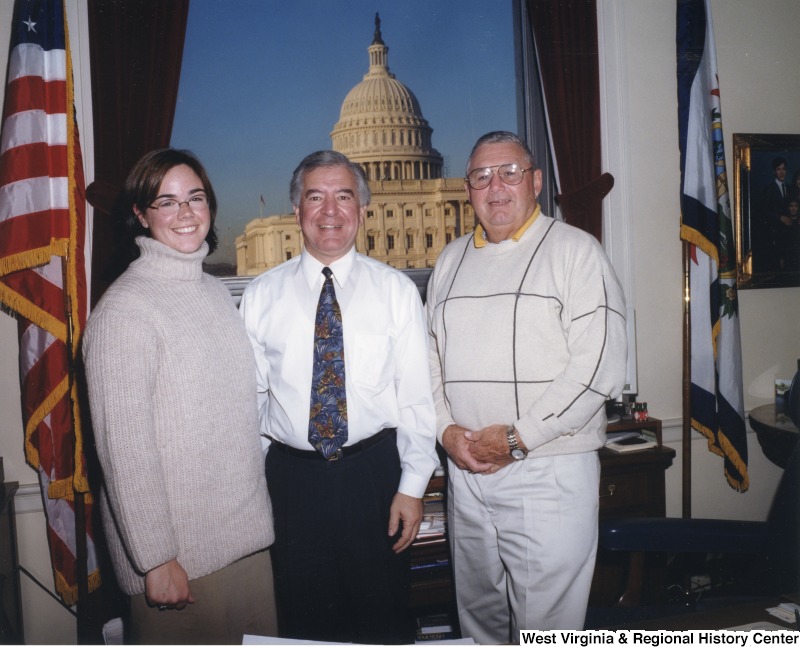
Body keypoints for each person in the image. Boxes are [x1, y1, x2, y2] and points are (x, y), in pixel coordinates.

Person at [427, 131, 627, 643]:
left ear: (535, 181)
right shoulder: (449, 261)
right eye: (481, 176)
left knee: (547, 630)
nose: (495, 187)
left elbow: (598, 368)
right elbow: (427, 359)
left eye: (509, 173)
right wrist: (446, 431)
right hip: (467, 471)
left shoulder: (576, 252)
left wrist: (517, 439)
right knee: (480, 624)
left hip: (547, 469)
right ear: (467, 188)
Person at [239, 150, 438, 644]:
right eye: (315, 197)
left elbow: (415, 398)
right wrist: (271, 476)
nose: (330, 211)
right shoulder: (261, 295)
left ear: (363, 210)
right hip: (292, 481)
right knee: (304, 625)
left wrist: (412, 487)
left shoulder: (396, 291)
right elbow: (251, 403)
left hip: (373, 476)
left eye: (343, 196)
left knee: (383, 621)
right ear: (298, 210)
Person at [82, 149, 277, 644]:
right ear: (140, 215)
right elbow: (125, 450)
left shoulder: (214, 293)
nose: (186, 213)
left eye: (195, 197)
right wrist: (155, 557)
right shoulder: (125, 310)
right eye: (166, 202)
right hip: (179, 563)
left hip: (246, 545)